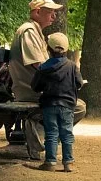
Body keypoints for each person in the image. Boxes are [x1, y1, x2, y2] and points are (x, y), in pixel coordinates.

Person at [9, 0, 86, 160]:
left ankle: (43, 140)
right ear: (37, 12)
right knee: (77, 106)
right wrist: (66, 78)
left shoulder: (35, 32)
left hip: (40, 88)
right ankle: (37, 129)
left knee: (73, 104)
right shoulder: (29, 31)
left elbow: (44, 67)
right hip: (32, 90)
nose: (54, 15)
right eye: (50, 11)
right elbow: (40, 66)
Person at [31, 33, 83, 172]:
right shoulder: (72, 66)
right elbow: (79, 83)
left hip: (49, 104)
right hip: (67, 105)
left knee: (51, 133)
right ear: (66, 49)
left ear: (48, 49)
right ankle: (68, 163)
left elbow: (35, 86)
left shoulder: (43, 67)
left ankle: (50, 162)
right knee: (67, 133)